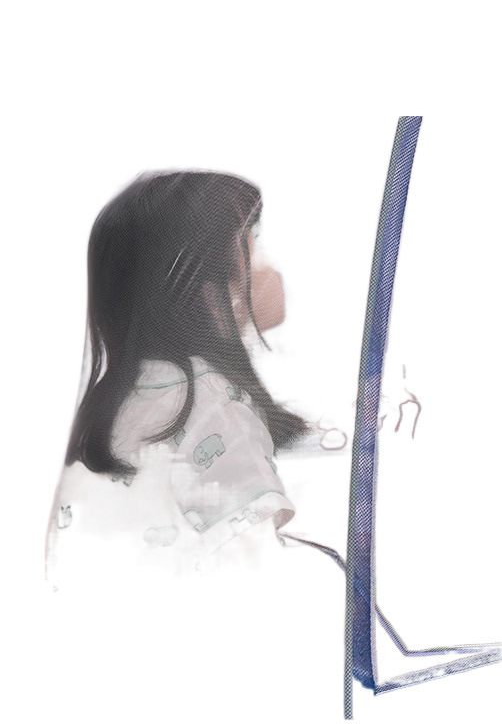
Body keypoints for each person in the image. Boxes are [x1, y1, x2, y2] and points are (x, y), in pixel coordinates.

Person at [45, 169, 318, 591]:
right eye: (254, 243)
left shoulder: (119, 402)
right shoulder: (218, 411)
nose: (272, 269)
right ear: (204, 289)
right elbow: (253, 576)